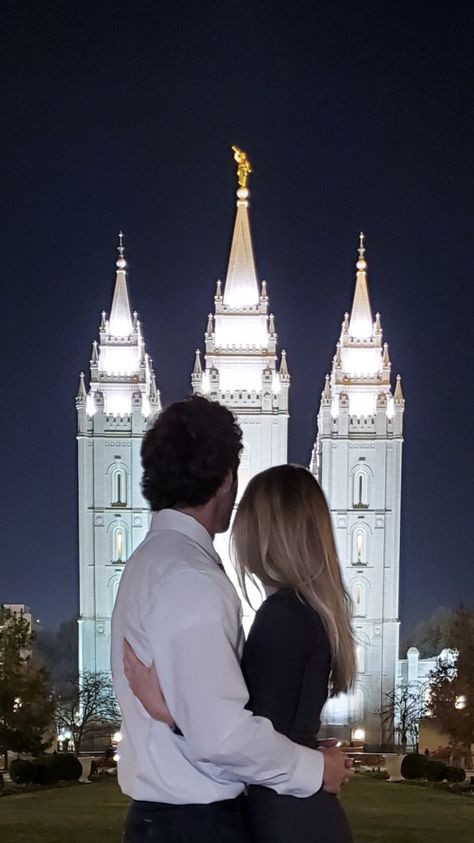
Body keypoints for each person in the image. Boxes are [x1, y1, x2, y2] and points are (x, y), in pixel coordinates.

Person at [111, 397, 352, 842]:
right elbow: (221, 735)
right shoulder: (191, 577)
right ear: (226, 480)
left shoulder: (150, 564)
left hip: (188, 818)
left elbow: (222, 724)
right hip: (196, 823)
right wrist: (315, 767)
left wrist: (174, 713)